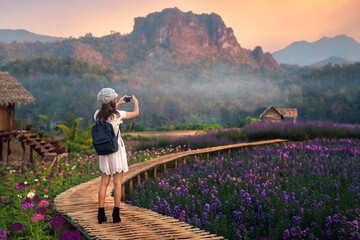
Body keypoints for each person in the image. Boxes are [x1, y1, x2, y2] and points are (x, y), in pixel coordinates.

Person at [94, 88, 139, 224]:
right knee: (117, 183)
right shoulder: (118, 115)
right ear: (112, 100)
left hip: (104, 152)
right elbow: (136, 113)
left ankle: (101, 214)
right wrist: (136, 102)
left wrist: (117, 103)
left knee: (104, 183)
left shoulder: (97, 115)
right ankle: (116, 215)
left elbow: (107, 114)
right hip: (116, 151)